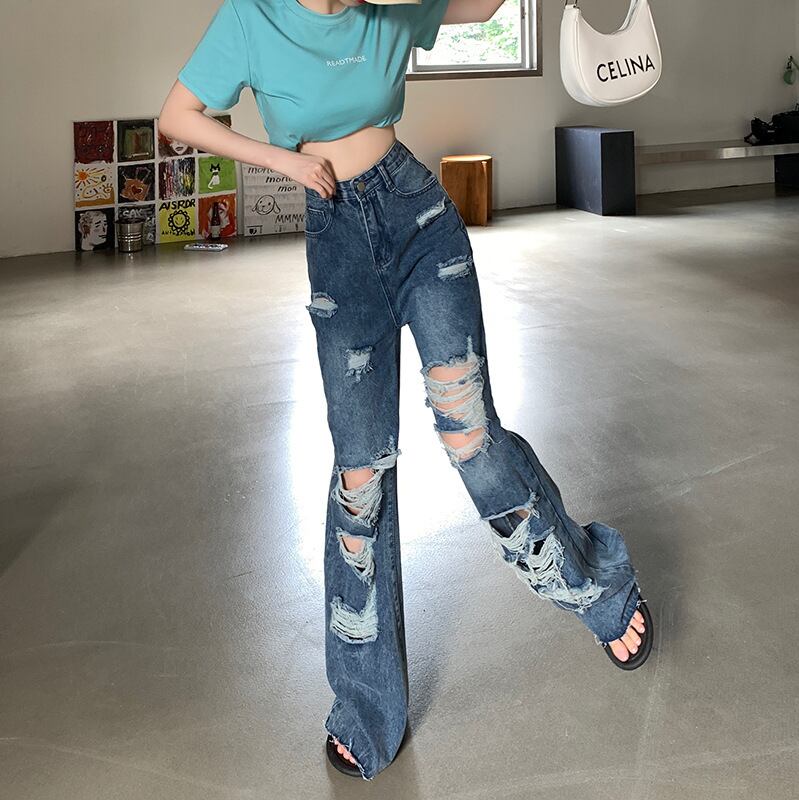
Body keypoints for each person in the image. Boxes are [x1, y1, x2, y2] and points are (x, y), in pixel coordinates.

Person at [158, 0, 653, 782]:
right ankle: (367, 704)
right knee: (360, 477)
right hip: (337, 239)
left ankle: (598, 588)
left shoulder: (392, 4)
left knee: (470, 434)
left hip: (418, 217)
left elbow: (485, 6)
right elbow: (177, 117)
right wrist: (281, 160)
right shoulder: (252, 17)